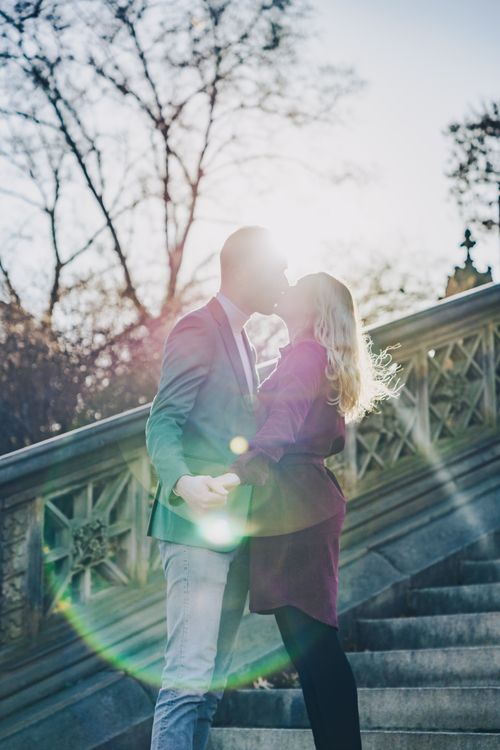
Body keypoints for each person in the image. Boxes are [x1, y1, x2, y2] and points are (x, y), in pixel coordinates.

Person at [216, 272, 402, 750]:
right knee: (311, 650)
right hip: (297, 503)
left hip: (294, 506)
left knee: (315, 649)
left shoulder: (305, 356)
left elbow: (285, 420)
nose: (287, 286)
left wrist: (241, 470)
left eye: (298, 284)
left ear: (313, 306)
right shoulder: (308, 357)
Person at [144, 225, 288, 750]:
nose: (284, 279)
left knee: (209, 691)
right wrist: (183, 482)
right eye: (277, 268)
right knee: (187, 681)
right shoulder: (198, 328)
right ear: (247, 271)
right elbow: (162, 422)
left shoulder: (246, 339)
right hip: (193, 528)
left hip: (236, 533)